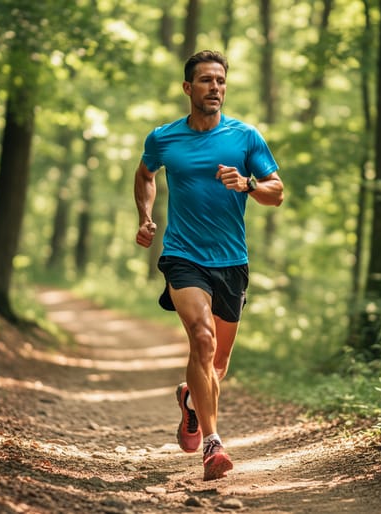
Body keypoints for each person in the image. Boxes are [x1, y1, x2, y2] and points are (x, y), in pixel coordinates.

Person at [133, 50, 284, 481]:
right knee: (202, 339)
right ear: (188, 88)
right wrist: (145, 218)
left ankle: (191, 400)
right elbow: (145, 175)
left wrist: (249, 184)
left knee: (216, 364)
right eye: (205, 81)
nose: (214, 88)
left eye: (220, 80)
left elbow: (277, 191)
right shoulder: (164, 138)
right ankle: (214, 444)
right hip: (183, 255)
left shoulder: (245, 137)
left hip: (232, 261)